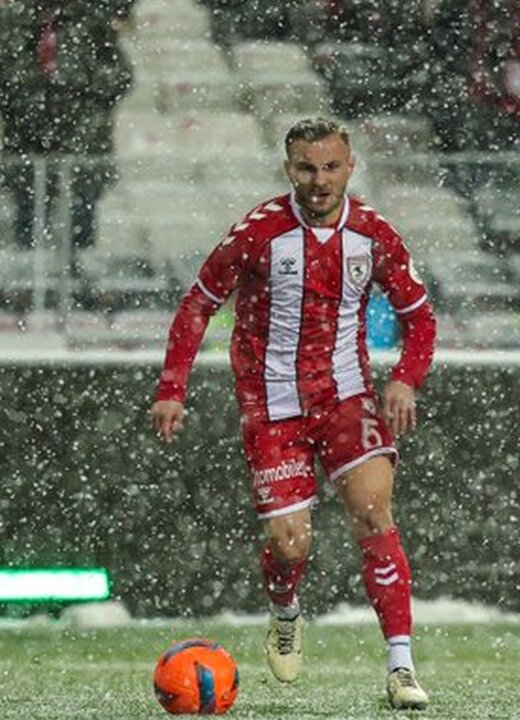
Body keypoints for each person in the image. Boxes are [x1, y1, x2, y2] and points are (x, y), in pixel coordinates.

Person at [149, 118, 436, 710]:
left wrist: (406, 379)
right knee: (290, 545)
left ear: (350, 167)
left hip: (346, 396)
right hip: (272, 405)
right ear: (289, 170)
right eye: (307, 167)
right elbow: (199, 303)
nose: (320, 179)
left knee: (374, 513)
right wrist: (172, 386)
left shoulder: (374, 234)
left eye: (331, 167)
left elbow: (420, 317)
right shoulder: (259, 232)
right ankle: (285, 608)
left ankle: (401, 665)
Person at [0, 0, 132, 251]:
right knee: (29, 230)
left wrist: (80, 95)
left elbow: (120, 77)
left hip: (82, 141)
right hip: (26, 141)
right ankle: (29, 263)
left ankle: (78, 265)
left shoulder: (92, 22)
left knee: (80, 227)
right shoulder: (13, 21)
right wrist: (27, 97)